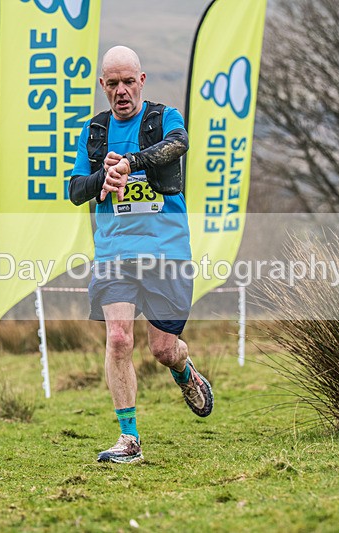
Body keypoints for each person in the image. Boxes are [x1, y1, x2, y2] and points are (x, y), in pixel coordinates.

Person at [68, 45, 213, 464]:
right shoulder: (94, 132)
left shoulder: (163, 118)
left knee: (163, 349)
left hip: (165, 249)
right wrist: (103, 176)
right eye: (112, 84)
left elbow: (178, 145)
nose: (121, 91)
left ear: (142, 81)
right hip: (114, 251)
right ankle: (128, 439)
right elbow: (75, 189)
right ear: (102, 86)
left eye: (128, 82)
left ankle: (184, 371)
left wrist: (129, 163)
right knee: (117, 338)